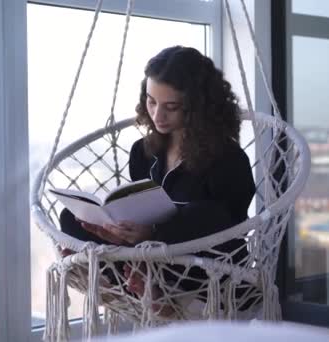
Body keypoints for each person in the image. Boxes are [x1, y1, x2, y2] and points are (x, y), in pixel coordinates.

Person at [58, 45, 256, 316]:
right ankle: (136, 284)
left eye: (171, 107)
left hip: (208, 266)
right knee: (71, 218)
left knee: (203, 212)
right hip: (145, 255)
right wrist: (119, 230)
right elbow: (138, 206)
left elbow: (228, 229)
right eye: (151, 101)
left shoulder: (228, 159)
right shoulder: (143, 151)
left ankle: (149, 286)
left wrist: (156, 235)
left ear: (198, 107)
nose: (157, 115)